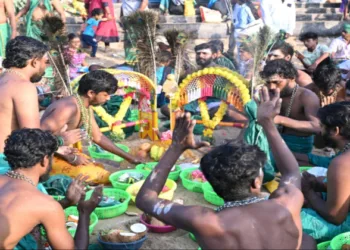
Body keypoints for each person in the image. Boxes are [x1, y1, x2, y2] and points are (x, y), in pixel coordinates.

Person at [136, 88, 316, 249]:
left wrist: (176, 147)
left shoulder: (206, 221)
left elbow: (145, 199)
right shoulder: (288, 202)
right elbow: (292, 172)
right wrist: (268, 123)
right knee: (307, 242)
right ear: (256, 182)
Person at [0, 37, 84, 188]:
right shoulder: (23, 86)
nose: (45, 68)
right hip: (7, 163)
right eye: (45, 62)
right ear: (34, 61)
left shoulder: (4, 80)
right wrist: (60, 140)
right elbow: (33, 141)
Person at [0, 128, 102, 249]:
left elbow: (22, 213)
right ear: (44, 160)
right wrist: (84, 212)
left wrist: (66, 202)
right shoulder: (46, 205)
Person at [41, 70, 143, 184]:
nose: (108, 98)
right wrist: (69, 157)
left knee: (99, 169)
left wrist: (129, 157)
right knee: (101, 176)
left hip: (63, 152)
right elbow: (36, 139)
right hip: (44, 159)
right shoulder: (67, 108)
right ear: (91, 93)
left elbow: (98, 137)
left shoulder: (84, 105)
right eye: (105, 94)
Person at [297, 102, 350, 242]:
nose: (319, 132)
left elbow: (335, 217)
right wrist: (322, 187)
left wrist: (308, 191)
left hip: (345, 230)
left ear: (335, 131)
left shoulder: (342, 163)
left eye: (322, 127)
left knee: (280, 216)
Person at [261, 59, 320, 156]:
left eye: (276, 82)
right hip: (271, 139)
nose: (271, 87)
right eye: (268, 82)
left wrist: (280, 120)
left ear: (292, 78)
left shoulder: (306, 96)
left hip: (297, 145)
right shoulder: (269, 92)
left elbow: (317, 127)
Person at [121, 0, 149, 64]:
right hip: (127, 18)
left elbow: (145, 1)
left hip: (139, 17)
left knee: (140, 41)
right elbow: (124, 4)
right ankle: (129, 61)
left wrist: (137, 14)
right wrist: (122, 17)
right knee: (128, 40)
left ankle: (140, 62)